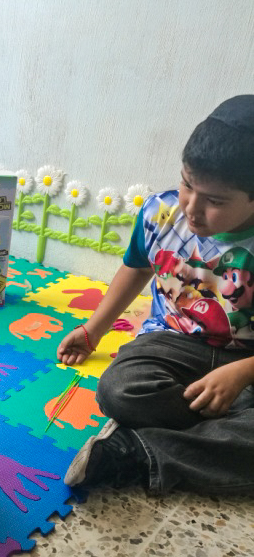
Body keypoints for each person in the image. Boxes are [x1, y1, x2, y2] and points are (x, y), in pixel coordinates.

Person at [58, 95, 254, 496]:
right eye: (186, 183)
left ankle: (139, 451)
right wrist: (93, 330)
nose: (192, 209)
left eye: (215, 201)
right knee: (119, 390)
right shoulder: (161, 213)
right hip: (174, 344)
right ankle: (221, 435)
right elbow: (137, 266)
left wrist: (241, 373)